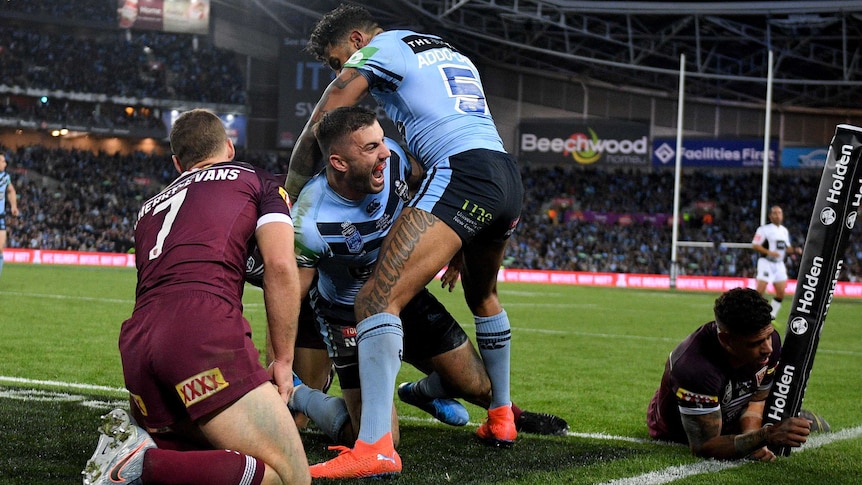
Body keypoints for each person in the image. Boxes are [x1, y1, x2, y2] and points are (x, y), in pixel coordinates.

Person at [287, 4, 525, 478]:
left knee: (375, 299)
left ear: (356, 40)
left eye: (338, 60)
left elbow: (328, 110)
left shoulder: (381, 48)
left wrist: (289, 188)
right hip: (504, 175)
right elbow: (422, 162)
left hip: (461, 173)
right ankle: (501, 419)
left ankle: (375, 449)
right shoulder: (446, 52)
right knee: (483, 296)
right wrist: (457, 237)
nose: (342, 70)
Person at [279, 108, 566, 470]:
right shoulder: (310, 222)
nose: (385, 152)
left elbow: (440, 189)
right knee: (366, 433)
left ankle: (418, 393)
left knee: (480, 388)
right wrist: (281, 359)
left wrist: (462, 240)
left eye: (382, 140)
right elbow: (293, 294)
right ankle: (300, 394)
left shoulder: (396, 159)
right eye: (371, 147)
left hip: (407, 297)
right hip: (346, 315)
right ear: (338, 162)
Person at [81, 109, 310, 485]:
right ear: (229, 146)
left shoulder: (147, 209)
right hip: (200, 334)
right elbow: (281, 267)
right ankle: (143, 465)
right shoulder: (255, 179)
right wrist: (283, 359)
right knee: (292, 479)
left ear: (177, 163)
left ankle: (148, 451)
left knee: (213, 457)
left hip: (138, 346)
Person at [646, 287, 811, 461]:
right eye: (755, 343)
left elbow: (757, 399)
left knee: (802, 422)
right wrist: (765, 435)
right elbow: (706, 446)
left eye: (768, 336)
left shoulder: (769, 343)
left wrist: (753, 437)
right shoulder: (695, 368)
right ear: (726, 340)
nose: (768, 348)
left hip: (730, 416)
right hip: (679, 431)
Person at [751, 205, 802, 319]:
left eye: (780, 213)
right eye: (775, 213)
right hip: (766, 262)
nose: (778, 215)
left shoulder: (784, 231)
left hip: (779, 265)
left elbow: (786, 248)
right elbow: (755, 245)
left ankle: (770, 316)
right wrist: (769, 252)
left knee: (781, 292)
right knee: (760, 292)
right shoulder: (764, 229)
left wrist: (795, 250)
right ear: (770, 216)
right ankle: (753, 315)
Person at [0, 152, 20, 282]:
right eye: (2, 161)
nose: (5, 164)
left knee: (0, 247)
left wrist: (14, 205)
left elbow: (11, 190)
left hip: (0, 216)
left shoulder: (5, 177)